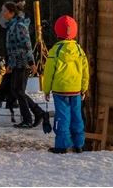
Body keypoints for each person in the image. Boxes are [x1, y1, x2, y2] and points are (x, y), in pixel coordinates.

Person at [42, 15, 89, 153]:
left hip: (60, 90)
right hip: (76, 90)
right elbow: (85, 71)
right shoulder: (80, 51)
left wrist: (46, 89)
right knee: (77, 116)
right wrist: (84, 88)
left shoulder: (55, 51)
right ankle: (79, 144)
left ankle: (62, 145)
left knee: (62, 117)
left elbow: (49, 72)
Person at [2, 1, 45, 128]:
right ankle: (38, 112)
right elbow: (11, 48)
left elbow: (27, 45)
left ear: (11, 12)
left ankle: (29, 118)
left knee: (19, 90)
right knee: (16, 90)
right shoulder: (11, 26)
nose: (3, 13)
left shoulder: (19, 26)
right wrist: (10, 64)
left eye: (4, 11)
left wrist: (31, 63)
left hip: (23, 61)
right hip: (15, 62)